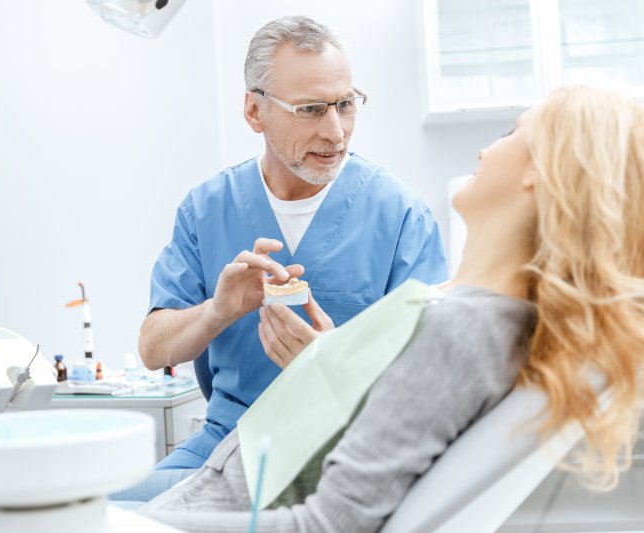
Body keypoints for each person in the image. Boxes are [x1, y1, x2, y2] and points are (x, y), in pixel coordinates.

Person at [134, 85, 644, 531]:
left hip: (227, 501)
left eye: (512, 134)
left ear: (541, 171)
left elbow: (329, 522)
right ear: (256, 111)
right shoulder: (479, 317)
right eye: (311, 107)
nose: (488, 147)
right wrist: (330, 363)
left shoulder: (461, 329)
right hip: (227, 481)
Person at [115, 15, 448, 499]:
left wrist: (333, 364)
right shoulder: (206, 209)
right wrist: (218, 311)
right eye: (311, 109)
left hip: (342, 450)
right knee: (93, 508)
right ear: (255, 111)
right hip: (224, 443)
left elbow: (434, 381)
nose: (336, 132)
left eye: (345, 105)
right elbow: (153, 350)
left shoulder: (399, 216)